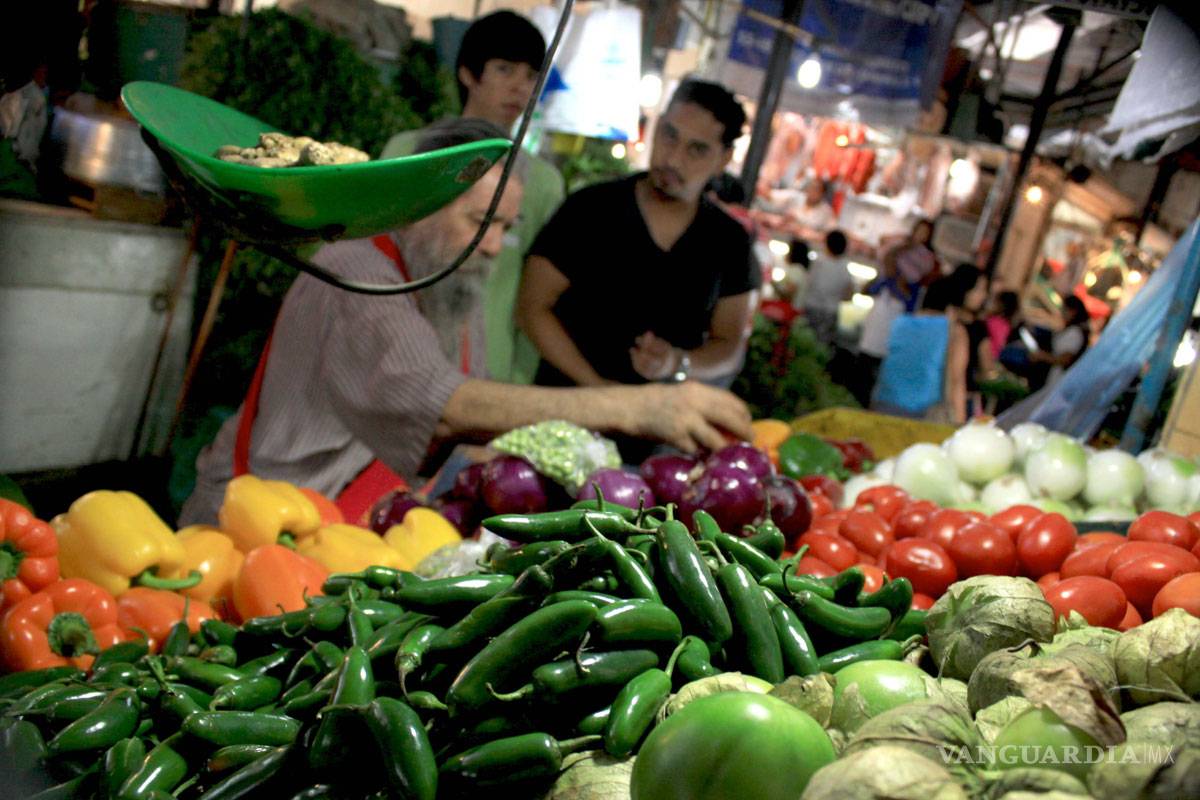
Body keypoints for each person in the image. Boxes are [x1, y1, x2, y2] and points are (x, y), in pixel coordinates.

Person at [179, 120, 751, 526]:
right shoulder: (354, 270)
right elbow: (444, 406)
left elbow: (466, 424)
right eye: (481, 221)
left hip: (343, 526)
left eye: (507, 227)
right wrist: (635, 407)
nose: (494, 247)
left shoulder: (450, 282)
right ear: (422, 203)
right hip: (254, 526)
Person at [516, 78, 761, 392]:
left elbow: (729, 345)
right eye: (669, 136)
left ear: (723, 160)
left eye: (696, 150)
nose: (673, 158)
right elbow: (532, 306)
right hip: (564, 408)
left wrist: (677, 362)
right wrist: (598, 389)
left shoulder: (729, 242)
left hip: (660, 427)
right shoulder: (591, 208)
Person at [379, 10, 565, 385]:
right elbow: (374, 255)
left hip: (487, 373)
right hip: (395, 356)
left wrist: (516, 381)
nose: (519, 87)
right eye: (504, 69)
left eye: (531, 76)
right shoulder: (409, 151)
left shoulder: (543, 183)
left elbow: (537, 296)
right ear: (467, 73)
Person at [871, 264, 983, 424]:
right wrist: (959, 424)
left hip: (884, 403)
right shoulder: (954, 332)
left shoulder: (901, 322)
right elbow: (957, 382)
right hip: (922, 414)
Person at [803, 230, 853, 346]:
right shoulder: (845, 267)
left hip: (812, 307)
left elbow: (808, 283)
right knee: (821, 347)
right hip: (831, 312)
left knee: (805, 343)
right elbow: (849, 296)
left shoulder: (819, 262)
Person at [1033, 295, 1091, 388]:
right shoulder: (1072, 330)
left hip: (1058, 379)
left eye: (1064, 310)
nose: (1062, 313)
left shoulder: (1075, 332)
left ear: (1073, 312)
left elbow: (1065, 359)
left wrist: (1042, 356)